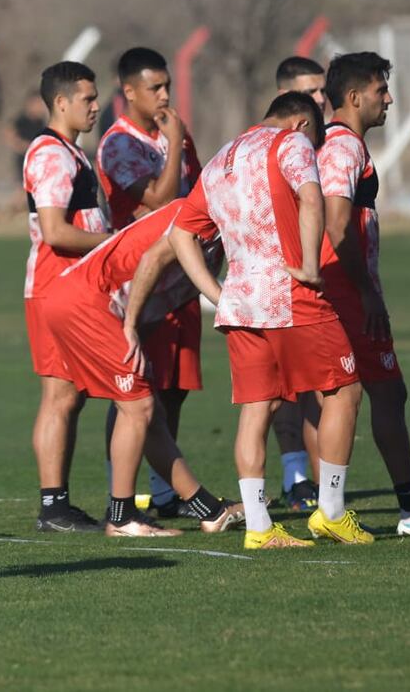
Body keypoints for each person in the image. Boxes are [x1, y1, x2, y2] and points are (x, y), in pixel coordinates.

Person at [139, 90, 373, 549]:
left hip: (241, 302)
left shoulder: (222, 157)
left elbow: (182, 233)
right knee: (344, 390)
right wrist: (309, 265)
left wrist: (215, 291)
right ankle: (331, 512)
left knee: (256, 407)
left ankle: (261, 528)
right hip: (291, 294)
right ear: (302, 124)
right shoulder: (292, 142)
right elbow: (311, 198)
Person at [316, 52, 410, 536]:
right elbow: (336, 228)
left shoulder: (347, 145)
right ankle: (331, 510)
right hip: (343, 292)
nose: (389, 98)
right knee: (349, 393)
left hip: (350, 289)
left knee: (386, 391)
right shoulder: (341, 148)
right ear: (354, 98)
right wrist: (364, 292)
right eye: (381, 90)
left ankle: (409, 507)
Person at [45, 200, 242, 536]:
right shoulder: (200, 214)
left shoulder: (219, 234)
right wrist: (131, 326)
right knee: (140, 408)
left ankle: (209, 510)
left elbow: (171, 293)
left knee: (147, 412)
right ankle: (121, 518)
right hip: (89, 300)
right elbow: (152, 259)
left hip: (84, 301)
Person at [95, 47, 204, 518]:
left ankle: (164, 490)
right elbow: (159, 203)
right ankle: (120, 488)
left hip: (182, 281)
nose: (164, 95)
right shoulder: (120, 144)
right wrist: (175, 140)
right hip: (140, 285)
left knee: (175, 387)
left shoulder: (176, 134)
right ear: (129, 92)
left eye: (167, 86)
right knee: (133, 391)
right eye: (155, 87)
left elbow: (198, 194)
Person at [24, 62, 111, 533]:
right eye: (87, 99)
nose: (96, 106)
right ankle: (53, 507)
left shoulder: (72, 153)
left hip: (75, 287)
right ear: (62, 103)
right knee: (60, 395)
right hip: (55, 287)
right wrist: (117, 242)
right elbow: (55, 231)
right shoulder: (52, 155)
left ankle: (58, 503)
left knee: (71, 395)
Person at [269, 56, 330, 510]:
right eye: (312, 92)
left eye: (323, 90)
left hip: (319, 279)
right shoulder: (283, 144)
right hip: (287, 284)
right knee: (281, 392)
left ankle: (318, 484)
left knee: (320, 388)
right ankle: (298, 480)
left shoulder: (323, 142)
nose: (320, 100)